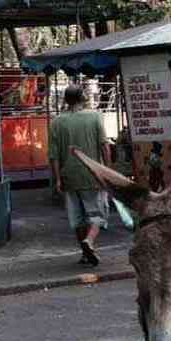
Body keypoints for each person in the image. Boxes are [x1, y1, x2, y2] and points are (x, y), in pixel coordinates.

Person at [48, 85, 111, 266]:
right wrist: (107, 171)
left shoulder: (57, 122)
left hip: (69, 177)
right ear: (83, 98)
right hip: (93, 176)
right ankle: (89, 241)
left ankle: (85, 254)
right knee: (97, 214)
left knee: (77, 218)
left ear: (66, 100)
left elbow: (53, 156)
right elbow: (105, 146)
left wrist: (58, 179)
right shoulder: (95, 116)